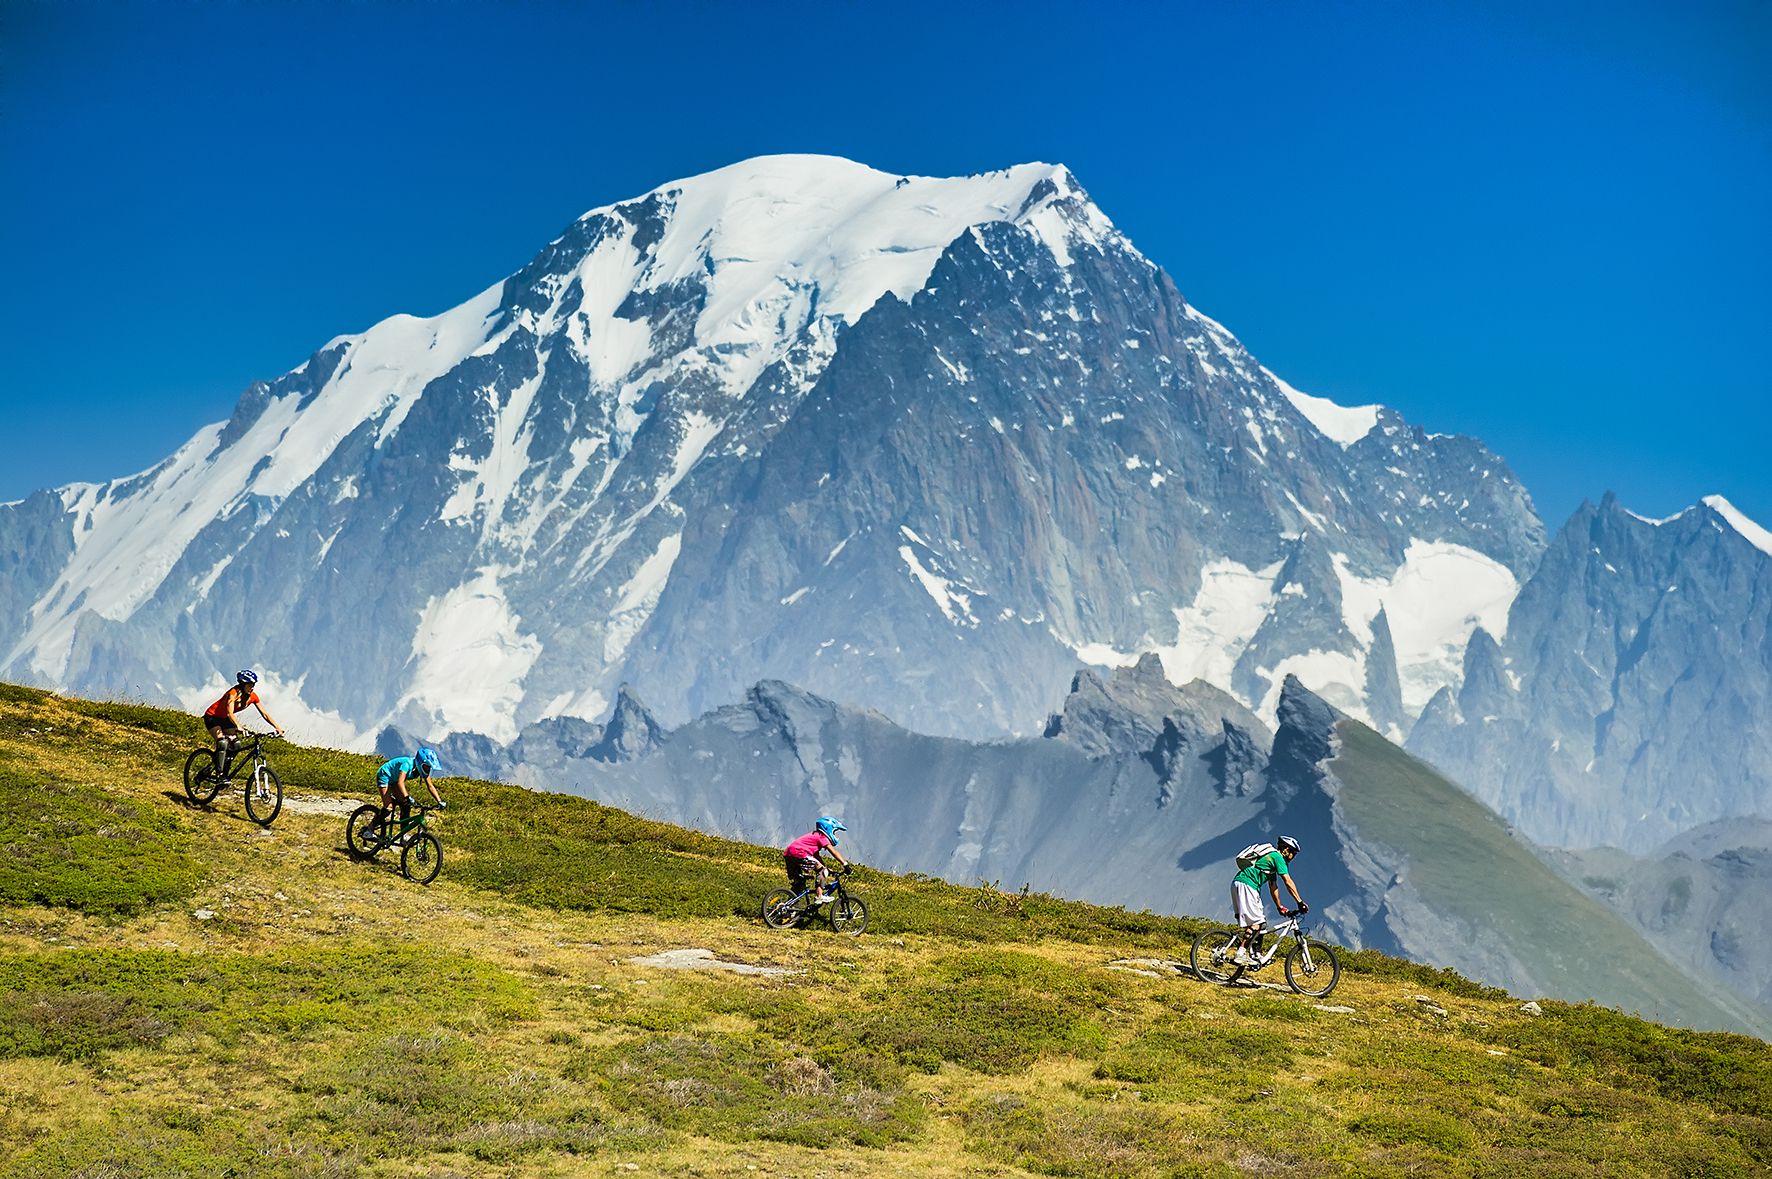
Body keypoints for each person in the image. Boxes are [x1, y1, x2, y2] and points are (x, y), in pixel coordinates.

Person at [1230, 835, 1307, 965]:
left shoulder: (1270, 859)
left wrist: (1279, 907)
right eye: (1293, 853)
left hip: (1239, 883)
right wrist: (1300, 902)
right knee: (1256, 923)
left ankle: (1256, 954)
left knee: (1261, 922)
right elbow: (1287, 881)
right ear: (1286, 850)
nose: (1293, 857)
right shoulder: (1278, 858)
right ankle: (1240, 953)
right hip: (1248, 885)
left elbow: (1273, 887)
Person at [202, 670, 283, 774]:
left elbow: (264, 714)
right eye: (249, 685)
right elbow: (229, 713)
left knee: (236, 745)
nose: (252, 688)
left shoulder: (253, 696)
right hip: (212, 717)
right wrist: (238, 726)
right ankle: (218, 772)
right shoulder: (233, 693)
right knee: (222, 742)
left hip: (225, 720)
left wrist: (277, 727)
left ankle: (224, 770)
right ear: (242, 684)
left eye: (253, 685)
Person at [376, 747, 445, 830]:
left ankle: (403, 835)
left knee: (406, 806)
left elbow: (430, 786)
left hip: (394, 780)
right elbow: (400, 782)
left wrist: (439, 801)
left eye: (429, 768)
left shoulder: (421, 769)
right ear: (420, 763)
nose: (428, 769)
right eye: (426, 767)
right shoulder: (407, 764)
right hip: (385, 775)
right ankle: (369, 829)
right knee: (388, 807)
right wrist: (407, 797)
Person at [784, 816, 849, 903]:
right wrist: (844, 864)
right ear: (827, 828)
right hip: (800, 853)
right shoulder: (822, 837)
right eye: (834, 831)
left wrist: (827, 868)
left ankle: (788, 906)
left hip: (789, 854)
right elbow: (833, 852)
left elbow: (816, 857)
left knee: (799, 882)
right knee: (822, 871)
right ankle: (819, 896)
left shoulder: (814, 836)